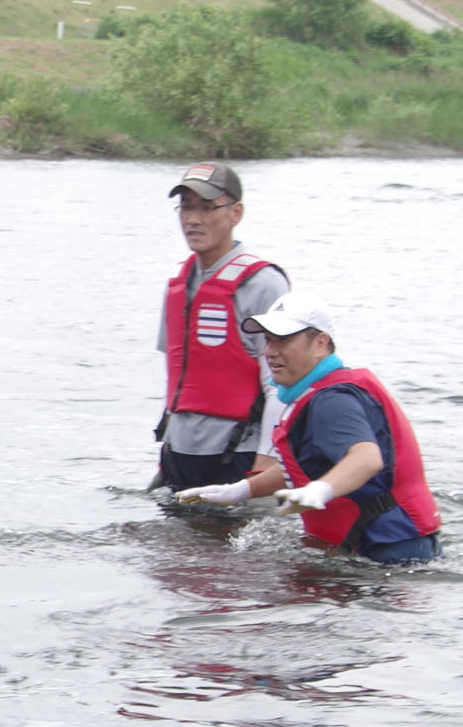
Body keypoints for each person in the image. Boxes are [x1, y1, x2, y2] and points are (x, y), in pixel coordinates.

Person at [179, 293, 443, 563]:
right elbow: (305, 467)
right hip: (393, 542)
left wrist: (321, 490)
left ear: (320, 344)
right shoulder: (323, 391)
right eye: (268, 340)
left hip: (388, 550)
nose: (270, 351)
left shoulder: (331, 401)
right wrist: (242, 490)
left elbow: (367, 459)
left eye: (283, 340)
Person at [154, 162, 290, 489]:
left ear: (235, 213)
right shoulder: (178, 282)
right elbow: (176, 372)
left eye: (207, 208)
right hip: (181, 450)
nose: (192, 219)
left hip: (236, 452)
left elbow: (280, 384)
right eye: (186, 207)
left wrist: (267, 460)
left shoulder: (264, 284)